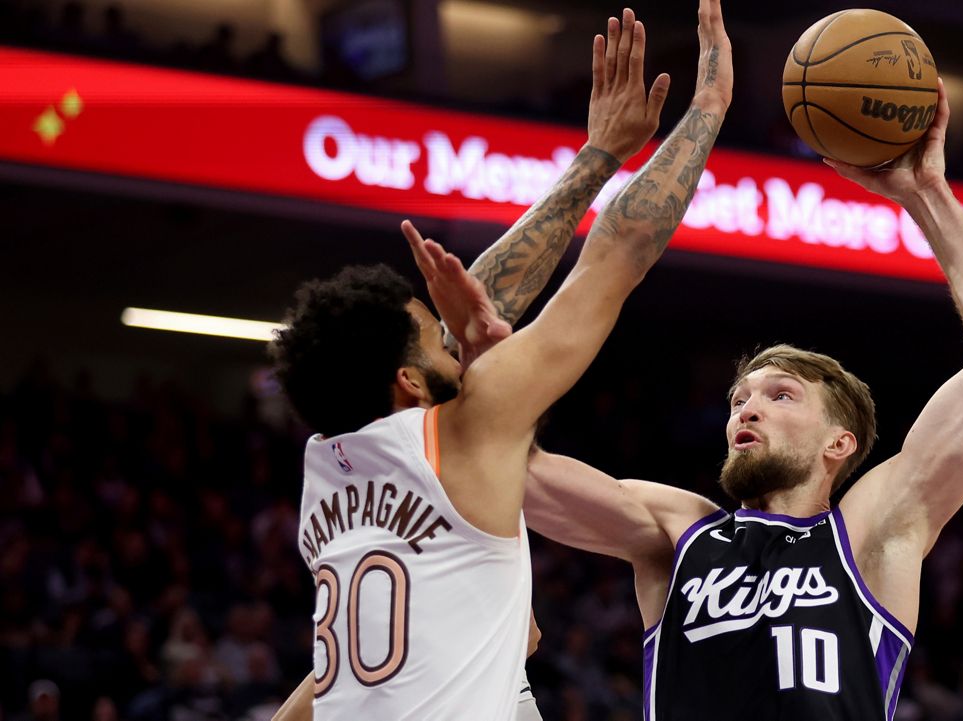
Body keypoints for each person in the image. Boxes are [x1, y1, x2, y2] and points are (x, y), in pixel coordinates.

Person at [522, 77, 963, 720]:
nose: (747, 408)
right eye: (740, 398)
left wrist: (927, 193)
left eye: (781, 394)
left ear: (839, 442)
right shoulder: (679, 530)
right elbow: (508, 467)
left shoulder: (870, 534)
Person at [268, 2, 734, 719]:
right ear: (408, 379)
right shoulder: (467, 435)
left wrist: (597, 158)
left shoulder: (325, 475)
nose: (451, 337)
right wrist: (706, 110)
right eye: (432, 335)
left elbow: (482, 313)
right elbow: (615, 257)